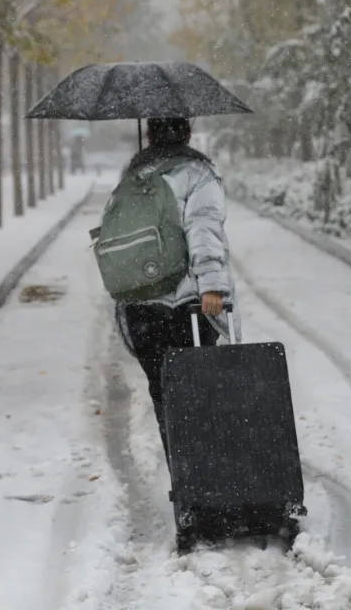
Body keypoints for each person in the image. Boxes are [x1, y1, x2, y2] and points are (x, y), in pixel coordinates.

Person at [113, 116, 237, 462]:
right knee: (201, 390)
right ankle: (210, 479)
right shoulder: (198, 173)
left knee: (164, 393)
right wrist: (212, 286)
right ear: (187, 132)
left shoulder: (134, 175)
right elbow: (203, 229)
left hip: (140, 303)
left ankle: (184, 481)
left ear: (150, 133)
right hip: (190, 305)